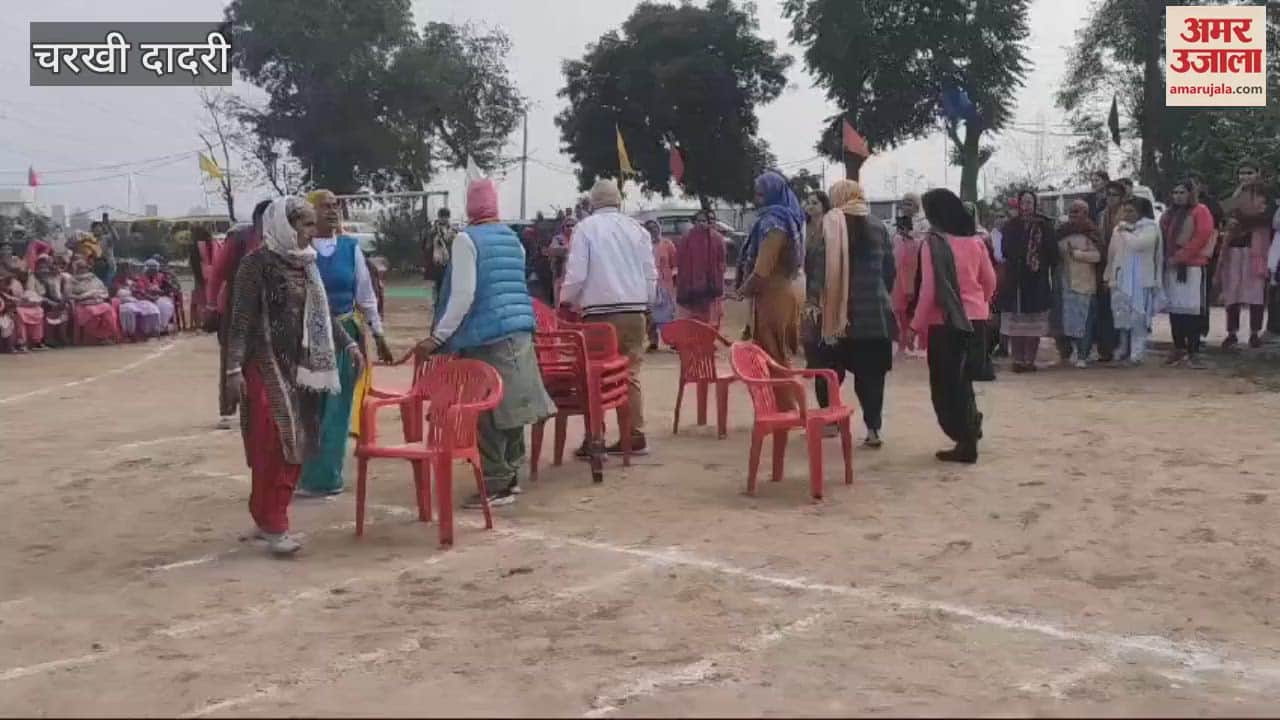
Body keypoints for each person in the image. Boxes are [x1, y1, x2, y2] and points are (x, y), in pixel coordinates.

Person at [224, 196, 358, 556]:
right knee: (272, 444)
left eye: (314, 225)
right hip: (265, 366)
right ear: (286, 226)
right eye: (306, 225)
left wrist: (348, 345)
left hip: (302, 369)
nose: (312, 232)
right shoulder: (256, 265)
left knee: (296, 445)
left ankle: (269, 516)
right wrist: (233, 368)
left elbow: (325, 315)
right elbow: (239, 322)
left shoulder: (308, 266)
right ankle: (273, 523)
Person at [414, 178, 553, 507]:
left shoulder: (467, 240)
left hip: (486, 336)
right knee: (513, 407)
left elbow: (463, 295)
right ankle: (510, 475)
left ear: (470, 206)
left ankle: (495, 482)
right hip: (519, 329)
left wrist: (438, 337)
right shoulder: (513, 239)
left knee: (487, 412)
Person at [298, 189, 395, 498]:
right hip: (308, 340)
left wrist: (378, 335)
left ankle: (327, 477)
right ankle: (304, 474)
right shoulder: (300, 249)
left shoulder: (351, 248)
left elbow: (365, 296)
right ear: (309, 212)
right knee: (310, 408)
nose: (332, 211)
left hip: (345, 336)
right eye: (324, 206)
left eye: (335, 206)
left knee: (337, 411)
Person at [561, 179, 658, 454]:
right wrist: (646, 303)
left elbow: (577, 275)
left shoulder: (585, 229)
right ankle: (634, 434)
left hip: (597, 317)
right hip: (633, 311)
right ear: (618, 201)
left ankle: (595, 437)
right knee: (630, 374)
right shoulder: (637, 229)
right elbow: (650, 274)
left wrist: (566, 299)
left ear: (593, 203)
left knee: (595, 376)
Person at [911, 189, 997, 464]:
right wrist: (978, 304)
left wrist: (915, 325)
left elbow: (928, 291)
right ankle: (969, 429)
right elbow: (990, 281)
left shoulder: (932, 244)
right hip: (976, 320)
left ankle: (965, 438)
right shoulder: (976, 242)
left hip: (945, 322)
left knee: (946, 386)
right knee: (965, 382)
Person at [813, 179, 896, 447]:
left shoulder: (830, 225)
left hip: (837, 315)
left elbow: (819, 270)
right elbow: (889, 270)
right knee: (871, 377)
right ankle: (873, 430)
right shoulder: (879, 226)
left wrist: (815, 302)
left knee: (828, 371)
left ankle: (831, 422)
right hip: (875, 315)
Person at [735, 170, 806, 410]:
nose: (757, 198)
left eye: (761, 193)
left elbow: (762, 269)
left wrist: (742, 290)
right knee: (777, 353)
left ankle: (785, 409)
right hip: (781, 291)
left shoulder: (773, 223)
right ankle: (784, 406)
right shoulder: (786, 218)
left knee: (774, 354)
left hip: (773, 295)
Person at [211, 200, 270, 429]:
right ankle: (228, 409)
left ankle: (261, 404)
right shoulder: (240, 239)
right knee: (232, 357)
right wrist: (211, 305)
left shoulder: (281, 240)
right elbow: (218, 274)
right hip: (236, 308)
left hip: (268, 311)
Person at [997, 191, 1058, 372]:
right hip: (1015, 280)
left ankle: (1029, 361)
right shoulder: (1011, 226)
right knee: (1016, 325)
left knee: (1033, 325)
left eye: (1030, 202)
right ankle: (1017, 360)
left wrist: (1037, 261)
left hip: (1037, 280)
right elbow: (1005, 250)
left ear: (1035, 204)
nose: (1026, 206)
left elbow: (1053, 252)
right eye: (1023, 202)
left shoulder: (1045, 225)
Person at [1159, 183, 1215, 367]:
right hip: (1172, 267)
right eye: (1174, 192)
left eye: (1182, 192)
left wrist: (1181, 257)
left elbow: (1202, 236)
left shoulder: (1200, 210)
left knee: (1193, 310)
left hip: (1193, 267)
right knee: (1175, 309)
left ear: (1191, 194)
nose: (1178, 196)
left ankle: (1193, 350)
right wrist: (1170, 259)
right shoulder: (1169, 214)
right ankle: (1179, 348)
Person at [1105, 196, 1164, 366]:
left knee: (1138, 318)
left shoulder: (1150, 228)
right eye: (1125, 210)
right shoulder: (1119, 229)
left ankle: (1137, 353)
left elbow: (1137, 245)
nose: (1126, 214)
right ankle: (1123, 348)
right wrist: (1108, 275)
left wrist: (1125, 231)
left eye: (1131, 211)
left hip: (1141, 281)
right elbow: (1112, 253)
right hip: (1121, 278)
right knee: (1121, 316)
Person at [1217, 181, 1272, 349]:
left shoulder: (1266, 195)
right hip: (1233, 249)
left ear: (1258, 174)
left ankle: (1254, 333)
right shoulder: (1234, 194)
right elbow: (1222, 213)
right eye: (1242, 173)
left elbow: (1265, 218)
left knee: (1256, 294)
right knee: (1232, 292)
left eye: (1249, 172)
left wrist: (1241, 217)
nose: (1245, 176)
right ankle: (1231, 333)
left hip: (1255, 251)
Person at [1055, 201, 1103, 368]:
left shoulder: (1092, 232)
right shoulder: (1062, 231)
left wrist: (1078, 254)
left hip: (1085, 283)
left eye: (1077, 211)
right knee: (1068, 321)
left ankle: (1084, 354)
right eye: (1071, 211)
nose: (1073, 215)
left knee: (1085, 321)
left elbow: (1098, 256)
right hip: (1065, 282)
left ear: (1085, 213)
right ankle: (1071, 352)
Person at [675, 209, 726, 329]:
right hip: (690, 285)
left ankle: (707, 340)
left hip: (710, 285)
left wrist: (718, 281)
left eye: (704, 221)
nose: (702, 223)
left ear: (709, 222)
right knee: (691, 316)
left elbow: (722, 262)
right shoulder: (686, 238)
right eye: (699, 221)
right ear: (694, 222)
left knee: (709, 316)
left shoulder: (717, 238)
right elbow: (681, 263)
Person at [890, 200, 924, 356]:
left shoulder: (923, 225)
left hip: (916, 273)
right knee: (899, 311)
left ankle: (916, 342)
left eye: (910, 204)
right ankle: (902, 343)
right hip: (898, 275)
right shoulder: (893, 227)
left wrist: (912, 238)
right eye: (904, 204)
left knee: (913, 310)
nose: (906, 207)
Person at [66, 255, 116, 344]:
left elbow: (104, 291)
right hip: (83, 304)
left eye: (84, 267)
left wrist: (96, 294)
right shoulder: (71, 280)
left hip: (97, 301)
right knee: (92, 312)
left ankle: (105, 336)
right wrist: (84, 296)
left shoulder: (94, 278)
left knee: (108, 309)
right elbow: (68, 295)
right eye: (80, 267)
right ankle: (97, 337)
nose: (83, 269)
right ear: (76, 269)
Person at [646, 219, 678, 351]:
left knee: (667, 314)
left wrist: (673, 277)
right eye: (649, 228)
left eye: (655, 227)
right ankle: (653, 341)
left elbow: (675, 264)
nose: (652, 230)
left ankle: (672, 341)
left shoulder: (667, 244)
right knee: (649, 315)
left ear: (659, 228)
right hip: (648, 284)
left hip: (665, 284)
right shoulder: (642, 245)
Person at [112, 261, 162, 340]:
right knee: (130, 310)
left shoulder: (131, 282)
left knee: (151, 308)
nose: (126, 273)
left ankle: (151, 331)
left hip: (135, 301)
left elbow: (139, 293)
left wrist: (145, 295)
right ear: (119, 272)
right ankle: (131, 333)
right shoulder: (114, 284)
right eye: (124, 271)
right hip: (123, 303)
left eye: (127, 271)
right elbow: (114, 297)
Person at [29, 254, 70, 347]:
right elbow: (41, 295)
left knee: (65, 308)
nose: (44, 269)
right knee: (50, 310)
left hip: (60, 303)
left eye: (46, 266)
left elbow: (66, 292)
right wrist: (52, 303)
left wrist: (62, 302)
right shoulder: (40, 278)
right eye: (41, 267)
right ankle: (49, 339)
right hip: (45, 303)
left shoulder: (63, 277)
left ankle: (62, 336)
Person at [139, 257, 178, 334]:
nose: (155, 272)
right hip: (146, 299)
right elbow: (141, 292)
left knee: (165, 304)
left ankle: (163, 326)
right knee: (155, 306)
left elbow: (170, 288)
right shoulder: (141, 279)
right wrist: (151, 295)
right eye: (153, 270)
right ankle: (153, 328)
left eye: (155, 270)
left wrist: (160, 292)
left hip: (159, 298)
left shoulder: (158, 278)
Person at [548, 215, 577, 305]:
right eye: (567, 225)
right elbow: (553, 249)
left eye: (573, 225)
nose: (570, 228)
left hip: (576, 277)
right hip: (560, 276)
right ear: (563, 227)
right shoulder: (558, 239)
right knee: (559, 303)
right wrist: (568, 249)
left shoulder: (580, 238)